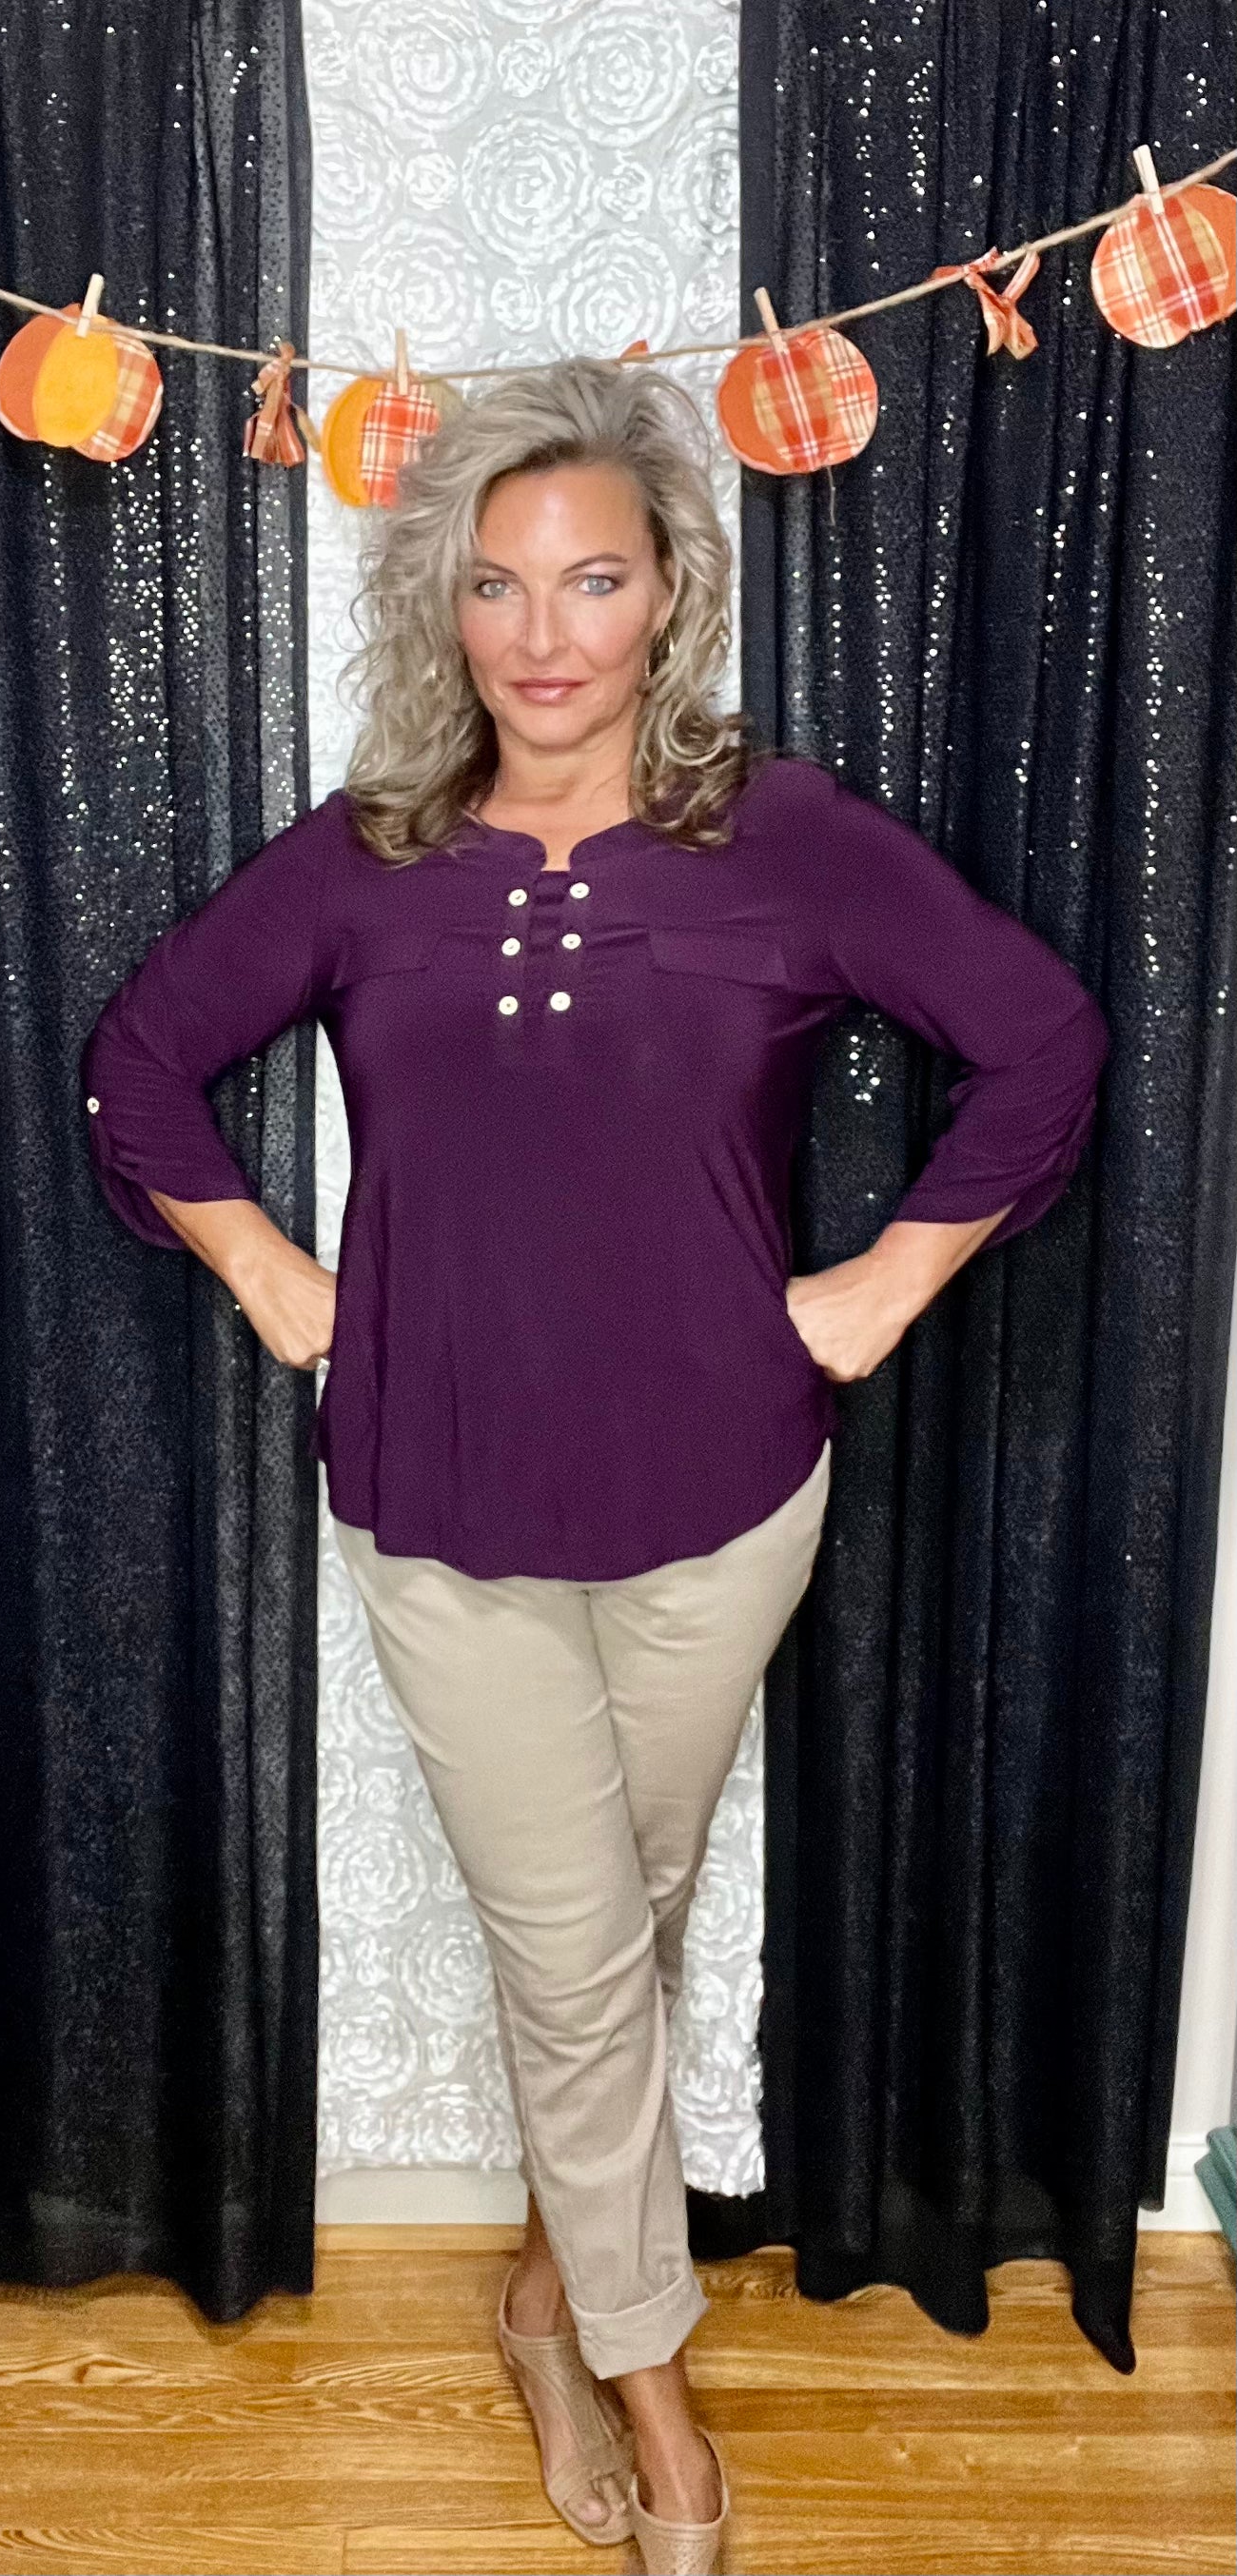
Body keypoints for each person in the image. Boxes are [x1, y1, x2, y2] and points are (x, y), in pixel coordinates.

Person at [80, 357, 1110, 2576]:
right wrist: (266, 1269)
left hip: (727, 1498)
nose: (543, 633)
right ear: (445, 609)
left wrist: (886, 1283)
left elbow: (1044, 1043)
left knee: (615, 1937)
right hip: (441, 1494)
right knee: (573, 1964)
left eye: (594, 580)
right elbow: (139, 1062)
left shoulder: (788, 838)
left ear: (670, 596)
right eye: (497, 585)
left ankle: (548, 2293)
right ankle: (661, 2417)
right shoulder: (367, 858)